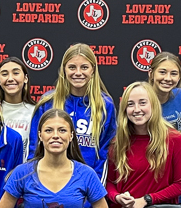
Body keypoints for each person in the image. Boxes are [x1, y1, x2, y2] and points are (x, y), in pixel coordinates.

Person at [0, 108, 112, 208]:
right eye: (49, 130)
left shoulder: (87, 174)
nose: (55, 135)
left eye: (62, 130)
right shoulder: (23, 173)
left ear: (71, 135)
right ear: (40, 135)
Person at [27, 43, 116, 181]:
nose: (78, 73)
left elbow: (104, 155)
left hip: (86, 186)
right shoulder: (47, 103)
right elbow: (34, 148)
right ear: (64, 70)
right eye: (72, 67)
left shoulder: (105, 106)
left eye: (84, 67)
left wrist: (93, 192)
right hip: (48, 183)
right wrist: (34, 184)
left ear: (93, 70)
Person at [106, 82, 181, 208]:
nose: (137, 109)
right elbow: (109, 183)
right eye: (130, 104)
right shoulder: (117, 142)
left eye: (142, 103)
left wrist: (146, 200)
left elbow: (180, 185)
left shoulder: (174, 139)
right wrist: (117, 197)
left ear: (153, 105)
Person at [0, 57, 36, 156]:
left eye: (16, 73)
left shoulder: (35, 111)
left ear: (25, 78)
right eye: (4, 74)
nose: (10, 78)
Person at [148, 51, 181, 131]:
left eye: (174, 73)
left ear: (179, 77)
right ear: (151, 74)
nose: (168, 78)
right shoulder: (141, 100)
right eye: (162, 72)